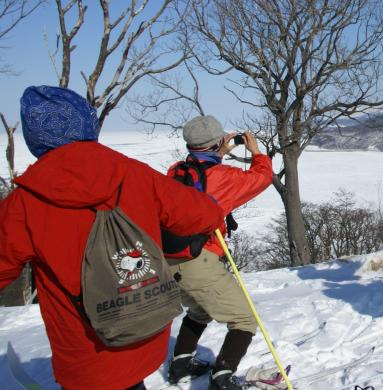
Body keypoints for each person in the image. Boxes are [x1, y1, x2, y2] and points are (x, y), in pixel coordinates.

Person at [0, 86, 224, 390]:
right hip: (146, 327)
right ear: (86, 122)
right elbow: (201, 215)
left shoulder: (24, 203)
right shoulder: (133, 173)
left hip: (86, 353)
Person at [165, 115, 273, 390]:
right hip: (198, 259)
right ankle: (222, 378)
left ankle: (181, 363)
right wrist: (256, 153)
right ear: (216, 144)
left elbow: (204, 175)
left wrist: (218, 152)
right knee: (244, 319)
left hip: (168, 259)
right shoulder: (223, 177)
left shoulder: (176, 171)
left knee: (201, 310)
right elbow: (260, 179)